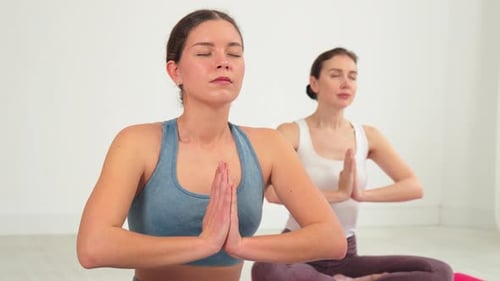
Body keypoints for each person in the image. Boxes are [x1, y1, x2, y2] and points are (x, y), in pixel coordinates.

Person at [76, 9, 348, 281]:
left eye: (234, 53)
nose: (223, 62)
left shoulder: (269, 146)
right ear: (175, 71)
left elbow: (331, 239)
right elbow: (93, 247)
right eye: (205, 53)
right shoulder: (138, 143)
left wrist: (239, 246)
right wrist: (203, 243)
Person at [251, 47, 454, 281]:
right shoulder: (291, 133)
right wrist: (337, 194)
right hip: (298, 251)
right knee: (266, 269)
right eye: (336, 75)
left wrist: (358, 194)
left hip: (346, 256)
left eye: (353, 76)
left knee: (439, 271)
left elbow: (413, 186)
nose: (346, 83)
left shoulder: (368, 135)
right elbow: (273, 193)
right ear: (314, 83)